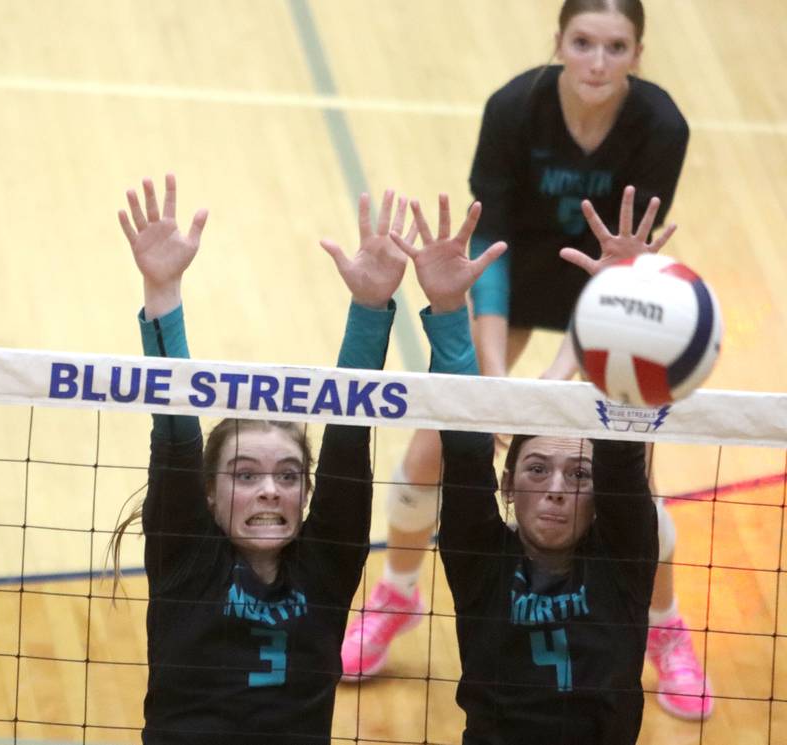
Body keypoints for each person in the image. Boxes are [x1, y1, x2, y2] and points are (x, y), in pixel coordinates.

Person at [342, 0, 711, 723]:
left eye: (615, 46)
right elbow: (494, 241)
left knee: (634, 474)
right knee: (432, 446)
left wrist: (553, 382)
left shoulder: (661, 128)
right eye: (583, 43)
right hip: (514, 272)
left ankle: (663, 627)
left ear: (638, 53)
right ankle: (397, 593)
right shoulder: (514, 108)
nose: (597, 61)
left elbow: (628, 259)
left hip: (608, 286)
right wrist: (496, 386)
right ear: (559, 44)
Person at [113, 175, 419, 744]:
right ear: (207, 494)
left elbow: (349, 441)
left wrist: (371, 305)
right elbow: (175, 425)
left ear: (308, 492)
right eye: (245, 475)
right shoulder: (185, 560)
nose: (270, 490)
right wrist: (162, 292)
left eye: (287, 475)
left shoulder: (324, 567)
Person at [391, 194, 656, 744]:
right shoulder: (482, 562)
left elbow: (623, 449)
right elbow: (463, 447)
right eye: (537, 469)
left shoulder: (622, 561)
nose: (557, 488)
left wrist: (623, 300)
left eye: (579, 475)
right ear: (506, 485)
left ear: (601, 490)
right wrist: (446, 309)